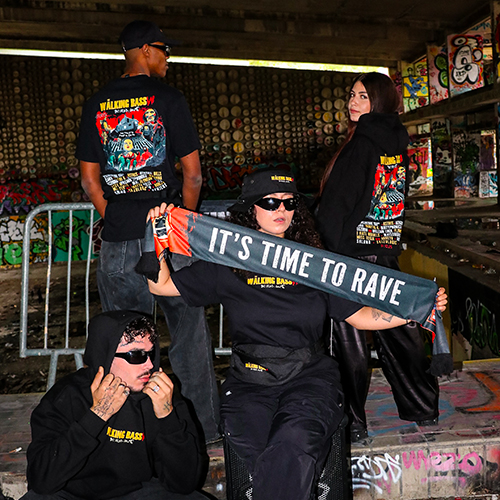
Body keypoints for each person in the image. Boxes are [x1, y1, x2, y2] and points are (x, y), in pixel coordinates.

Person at [146, 168, 448, 500]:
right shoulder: (227, 263)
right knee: (262, 452)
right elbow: (161, 285)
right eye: (270, 202)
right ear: (250, 209)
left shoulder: (315, 264)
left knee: (291, 446)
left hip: (309, 379)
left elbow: (360, 317)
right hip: (249, 383)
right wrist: (155, 238)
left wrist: (416, 310)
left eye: (289, 203)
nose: (281, 210)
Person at [77, 20, 220, 442]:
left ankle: (131, 433)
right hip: (168, 233)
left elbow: (89, 180)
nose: (168, 58)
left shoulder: (95, 103)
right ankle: (205, 431)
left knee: (125, 343)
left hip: (119, 238)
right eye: (163, 49)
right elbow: (192, 175)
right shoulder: (169, 99)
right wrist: (182, 222)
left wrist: (118, 214)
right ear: (144, 50)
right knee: (189, 335)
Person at [315, 72, 440, 444]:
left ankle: (351, 421)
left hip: (348, 258)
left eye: (363, 96)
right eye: (352, 95)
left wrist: (322, 255)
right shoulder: (396, 144)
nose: (353, 102)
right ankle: (422, 407)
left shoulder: (360, 145)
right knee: (400, 333)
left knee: (347, 344)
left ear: (379, 102)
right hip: (383, 252)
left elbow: (336, 208)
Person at [22, 310, 208, 500]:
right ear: (106, 354)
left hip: (135, 493)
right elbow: (41, 480)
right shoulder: (68, 396)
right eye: (137, 355)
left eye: (151, 353)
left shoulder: (160, 396)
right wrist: (96, 416)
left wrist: (167, 418)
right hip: (73, 494)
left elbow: (184, 484)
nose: (149, 365)